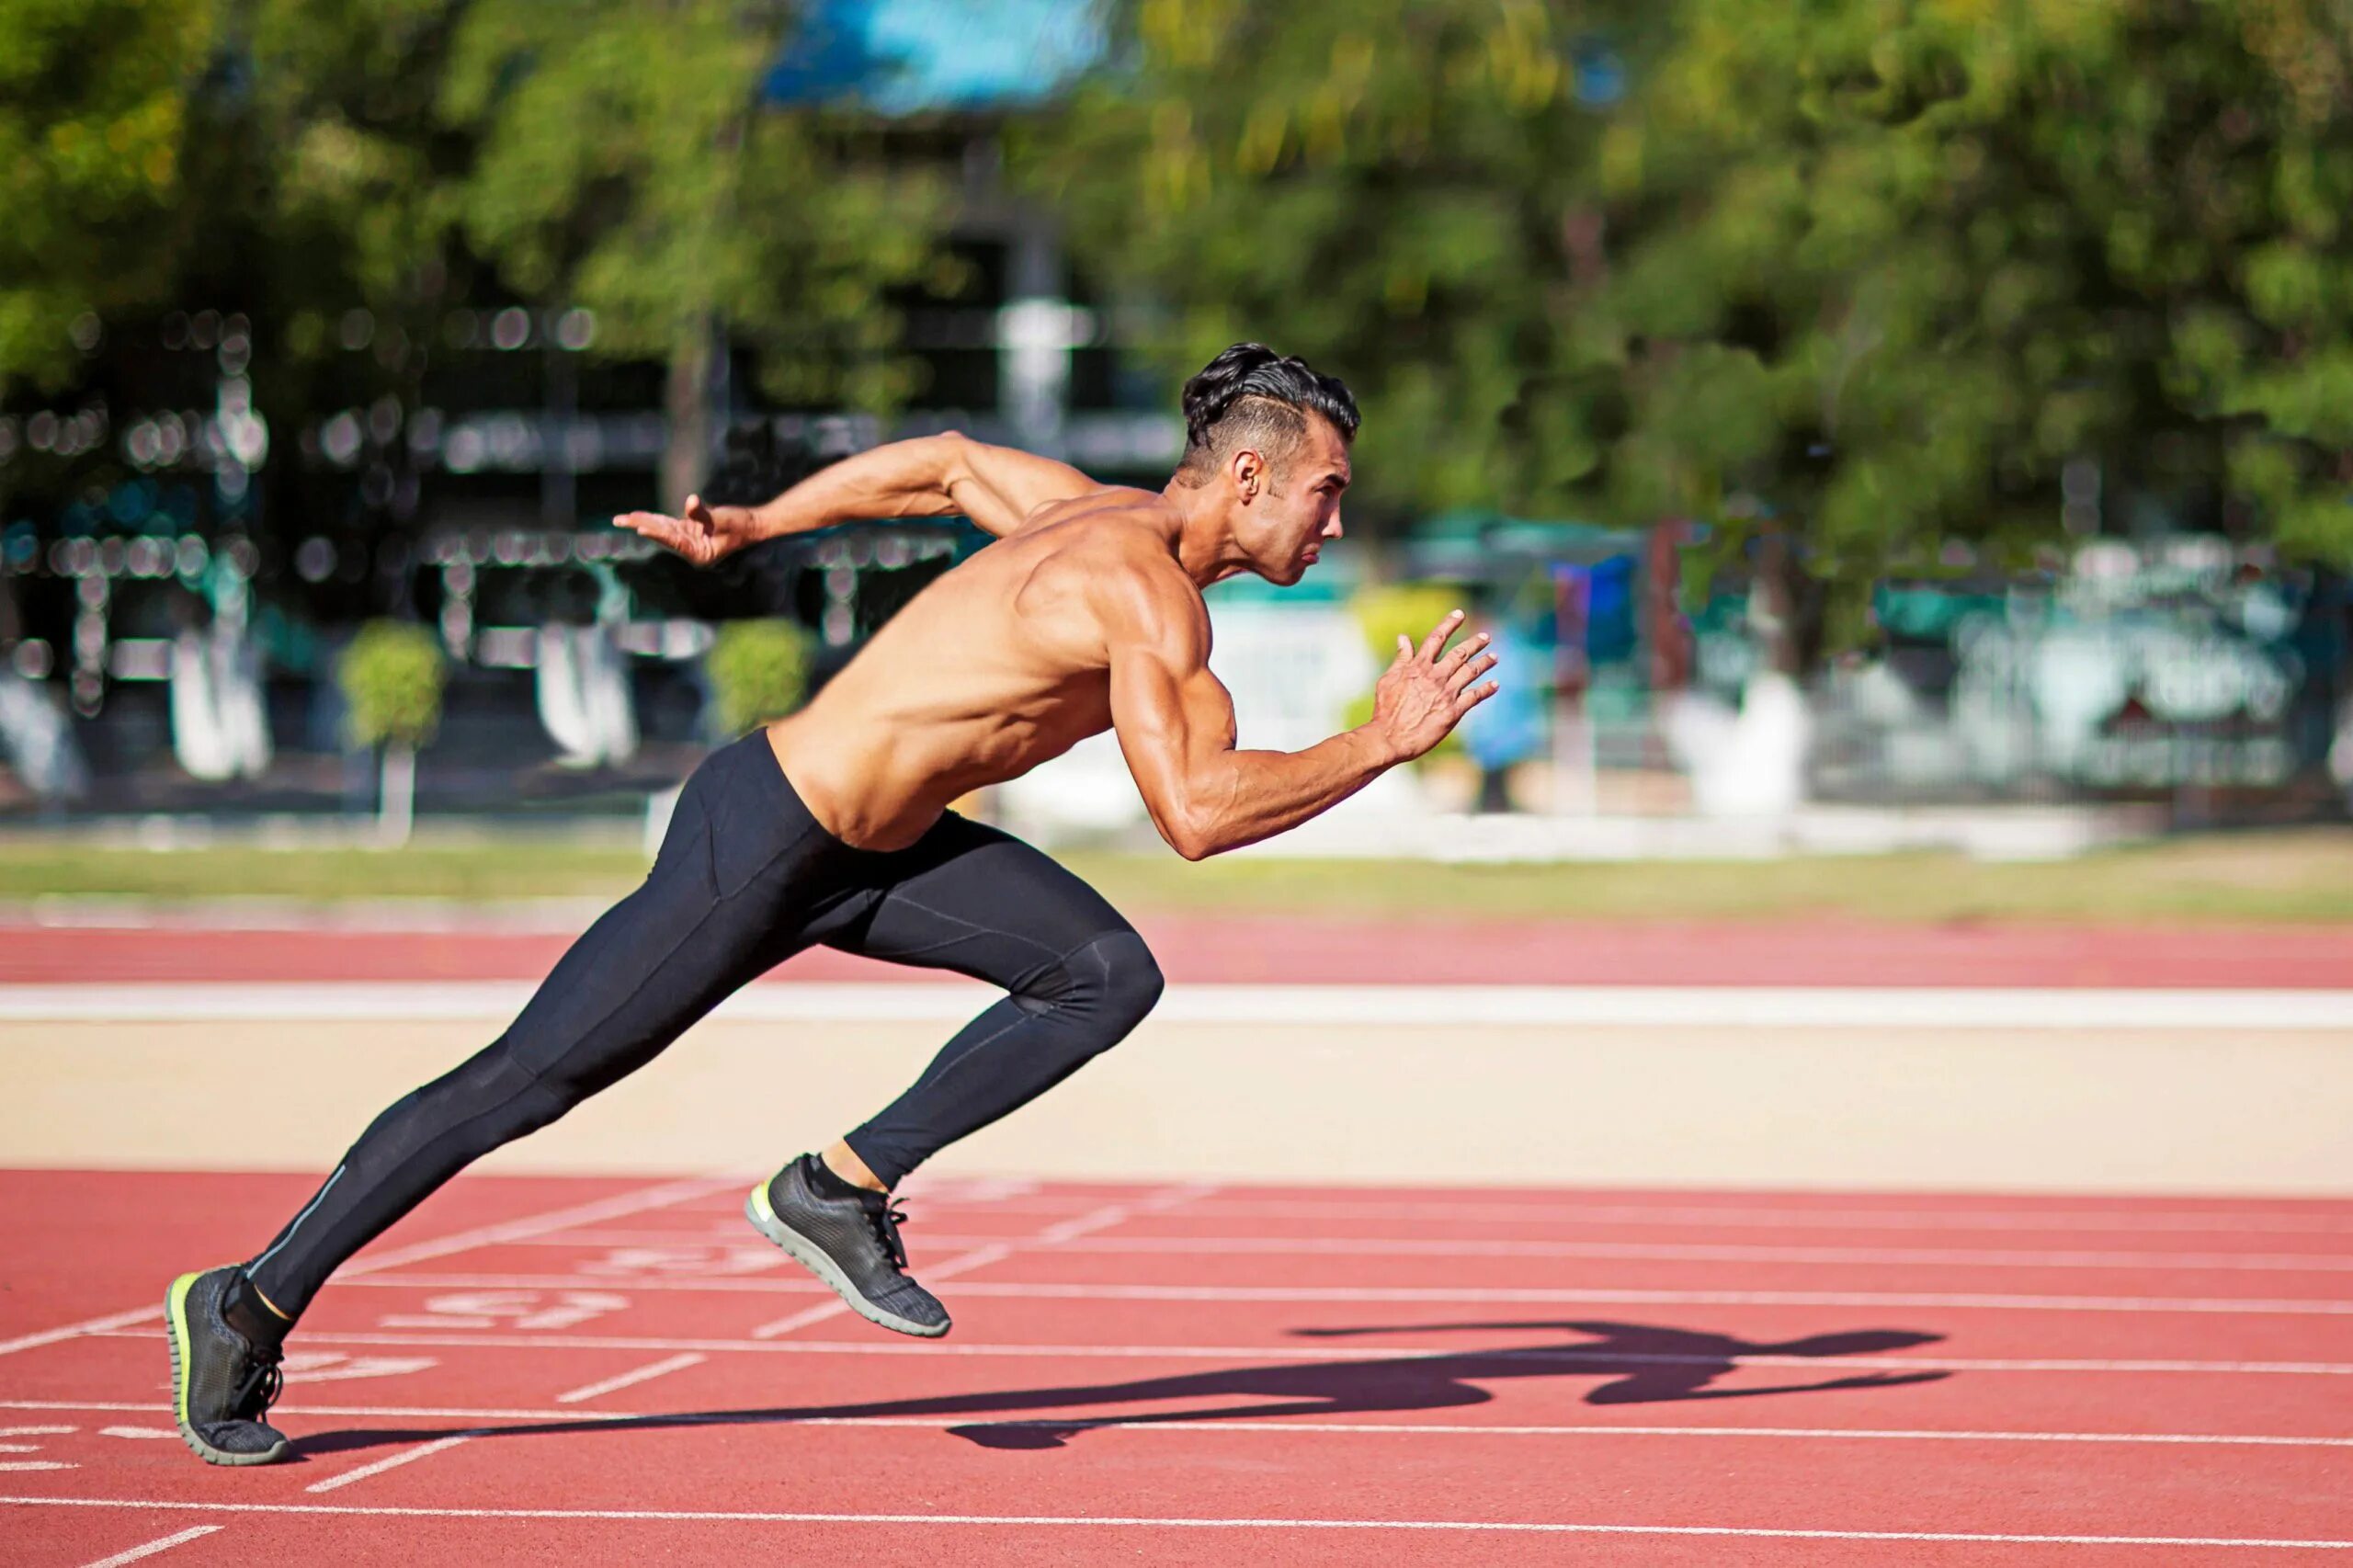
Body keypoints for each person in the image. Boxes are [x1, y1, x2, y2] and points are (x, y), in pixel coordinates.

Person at [164, 343, 1501, 1465]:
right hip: (767, 837)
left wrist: (760, 522)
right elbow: (1197, 814)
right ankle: (250, 1298)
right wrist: (1382, 742)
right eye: (1325, 493)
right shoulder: (1134, 585)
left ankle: (836, 1185)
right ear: (1250, 474)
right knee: (525, 1078)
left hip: (884, 850)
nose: (1332, 524)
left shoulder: (1086, 511)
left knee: (1104, 969)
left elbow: (943, 462)